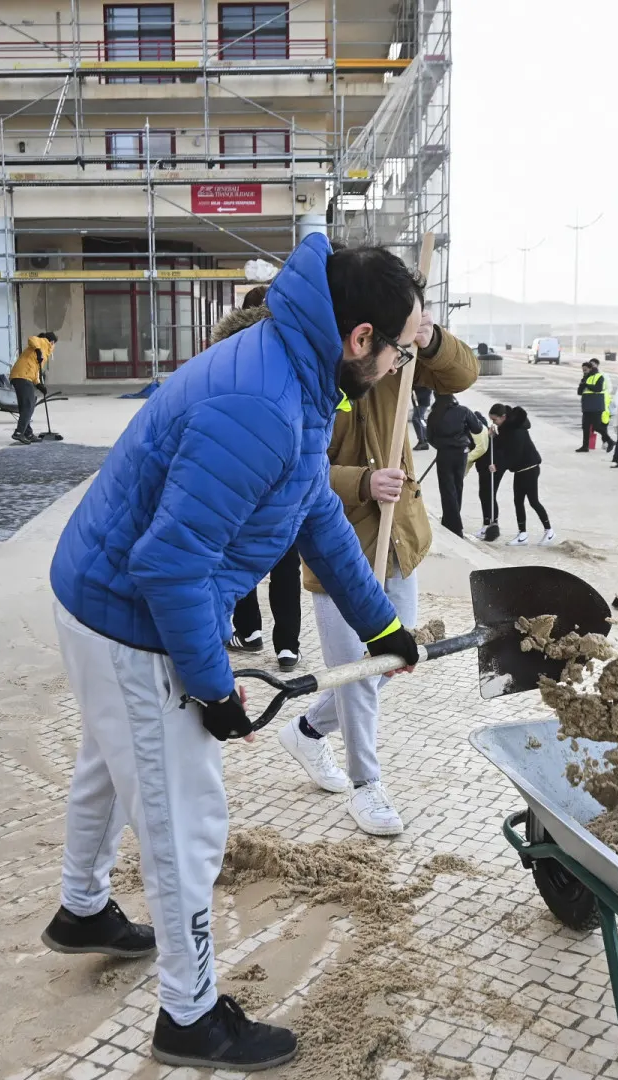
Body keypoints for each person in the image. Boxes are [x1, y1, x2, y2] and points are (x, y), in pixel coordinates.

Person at [43, 236, 425, 1071]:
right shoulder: (261, 401)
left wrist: (380, 624)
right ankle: (189, 1015)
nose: (402, 365)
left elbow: (311, 507)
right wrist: (215, 693)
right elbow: (169, 565)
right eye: (401, 349)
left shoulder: (300, 370)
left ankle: (81, 909)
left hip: (99, 593)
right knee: (185, 818)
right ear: (360, 338)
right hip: (126, 615)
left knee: (111, 763)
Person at [281, 278, 478, 839]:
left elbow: (463, 376)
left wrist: (430, 334)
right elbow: (298, 466)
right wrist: (362, 481)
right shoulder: (316, 371)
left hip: (400, 540)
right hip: (337, 547)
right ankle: (367, 784)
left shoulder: (400, 355)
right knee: (358, 675)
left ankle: (307, 730)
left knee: (388, 661)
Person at [211, 295, 301, 672]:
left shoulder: (224, 363)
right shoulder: (295, 364)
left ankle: (249, 631)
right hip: (283, 481)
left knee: (239, 558)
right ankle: (288, 646)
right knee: (284, 565)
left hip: (239, 483)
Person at [488, 403, 554, 544]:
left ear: (503, 417)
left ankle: (549, 530)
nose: (494, 422)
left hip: (529, 468)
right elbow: (504, 443)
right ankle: (522, 534)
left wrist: (498, 466)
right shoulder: (507, 428)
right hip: (520, 470)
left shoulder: (516, 430)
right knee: (518, 501)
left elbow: (513, 454)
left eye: (495, 420)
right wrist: (494, 437)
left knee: (533, 501)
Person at [426, 391, 483, 537]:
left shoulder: (434, 415)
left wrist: (442, 445)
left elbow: (430, 437)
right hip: (461, 453)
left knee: (447, 489)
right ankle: (453, 523)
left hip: (444, 454)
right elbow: (478, 428)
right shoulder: (463, 411)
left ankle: (451, 523)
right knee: (457, 487)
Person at [9, 331, 57, 444]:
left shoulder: (44, 352)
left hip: (21, 376)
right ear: (52, 342)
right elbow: (31, 338)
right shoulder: (42, 343)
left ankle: (28, 433)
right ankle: (19, 432)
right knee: (29, 405)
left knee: (25, 406)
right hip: (22, 376)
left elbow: (34, 370)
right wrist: (38, 350)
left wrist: (38, 384)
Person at [576, 360, 612, 452]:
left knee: (597, 426)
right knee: (585, 426)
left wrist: (586, 385)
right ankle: (585, 446)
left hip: (596, 404)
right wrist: (582, 384)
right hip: (587, 405)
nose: (584, 371)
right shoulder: (584, 378)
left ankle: (609, 440)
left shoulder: (599, 376)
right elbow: (579, 392)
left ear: (590, 368)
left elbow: (598, 388)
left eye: (586, 370)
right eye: (583, 370)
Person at [410, 384, 434, 451]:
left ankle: (422, 441)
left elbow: (429, 390)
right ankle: (424, 439)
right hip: (417, 402)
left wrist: (417, 396)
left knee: (416, 419)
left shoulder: (425, 378)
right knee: (420, 419)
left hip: (422, 402)